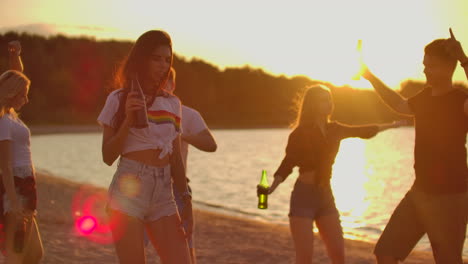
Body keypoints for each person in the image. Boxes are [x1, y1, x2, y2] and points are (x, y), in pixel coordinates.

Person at [361, 29, 468, 264]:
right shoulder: (425, 97)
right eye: (424, 64)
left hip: (452, 198)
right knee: (386, 251)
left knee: (448, 260)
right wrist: (369, 76)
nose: (425, 70)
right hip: (419, 193)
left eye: (431, 66)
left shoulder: (461, 101)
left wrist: (463, 58)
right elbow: (398, 103)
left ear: (448, 67)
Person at [265, 85, 403, 264]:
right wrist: (271, 188)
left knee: (338, 256)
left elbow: (364, 131)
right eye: (323, 100)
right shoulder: (300, 134)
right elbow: (287, 164)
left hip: (326, 197)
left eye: (330, 99)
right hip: (303, 198)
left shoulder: (335, 129)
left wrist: (392, 126)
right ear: (313, 104)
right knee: (304, 258)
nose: (329, 103)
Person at [97, 30, 192, 264]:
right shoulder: (118, 99)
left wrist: (186, 199)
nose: (163, 65)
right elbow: (108, 156)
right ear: (142, 59)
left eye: (167, 60)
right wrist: (129, 119)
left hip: (164, 192)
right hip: (129, 187)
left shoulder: (172, 103)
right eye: (156, 58)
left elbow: (176, 158)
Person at [165, 67, 217, 264]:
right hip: (144, 185)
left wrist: (181, 135)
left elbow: (211, 144)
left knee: (185, 248)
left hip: (177, 188)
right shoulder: (143, 110)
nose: (162, 87)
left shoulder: (187, 114)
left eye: (166, 82)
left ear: (173, 85)